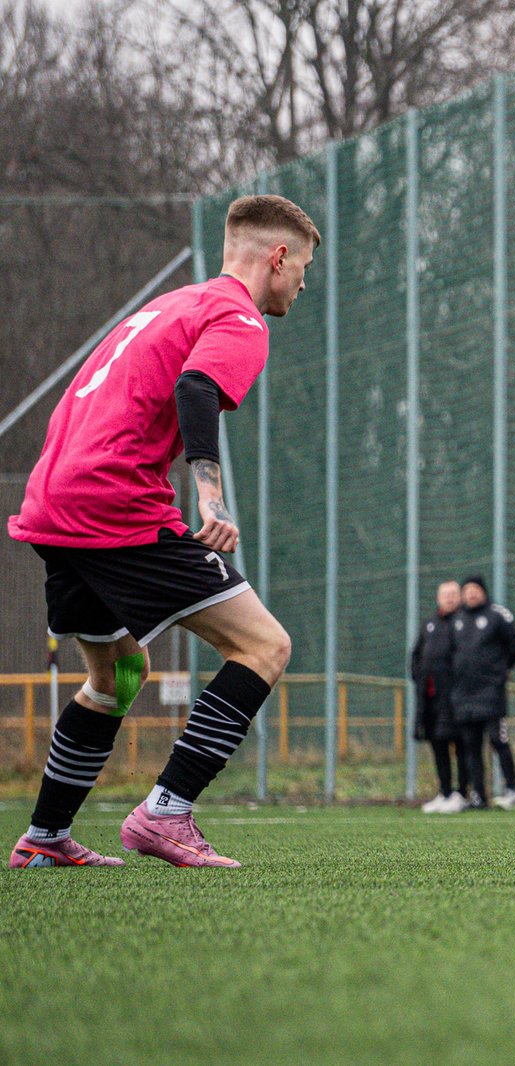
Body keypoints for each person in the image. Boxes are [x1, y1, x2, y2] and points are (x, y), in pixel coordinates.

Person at [8, 194, 317, 868]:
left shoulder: (169, 306)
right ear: (279, 256)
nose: (302, 284)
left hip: (53, 501)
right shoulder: (238, 315)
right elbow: (197, 388)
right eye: (303, 269)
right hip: (111, 501)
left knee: (118, 673)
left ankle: (44, 837)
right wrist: (211, 496)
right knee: (264, 645)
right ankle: (165, 814)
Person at [449, 575, 515, 809]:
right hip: (464, 694)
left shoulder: (497, 615)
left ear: (483, 591)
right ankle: (479, 795)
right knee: (471, 746)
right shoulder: (457, 619)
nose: (471, 593)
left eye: (475, 589)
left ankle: (513, 790)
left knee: (498, 740)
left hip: (491, 693)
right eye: (467, 590)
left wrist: (502, 670)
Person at [411, 580, 469, 813]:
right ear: (438, 598)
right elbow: (416, 656)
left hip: (456, 698)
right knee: (438, 744)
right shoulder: (429, 624)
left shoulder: (464, 623)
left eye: (454, 594)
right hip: (430, 699)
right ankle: (445, 792)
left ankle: (462, 793)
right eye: (445, 594)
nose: (449, 598)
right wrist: (419, 678)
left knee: (462, 745)